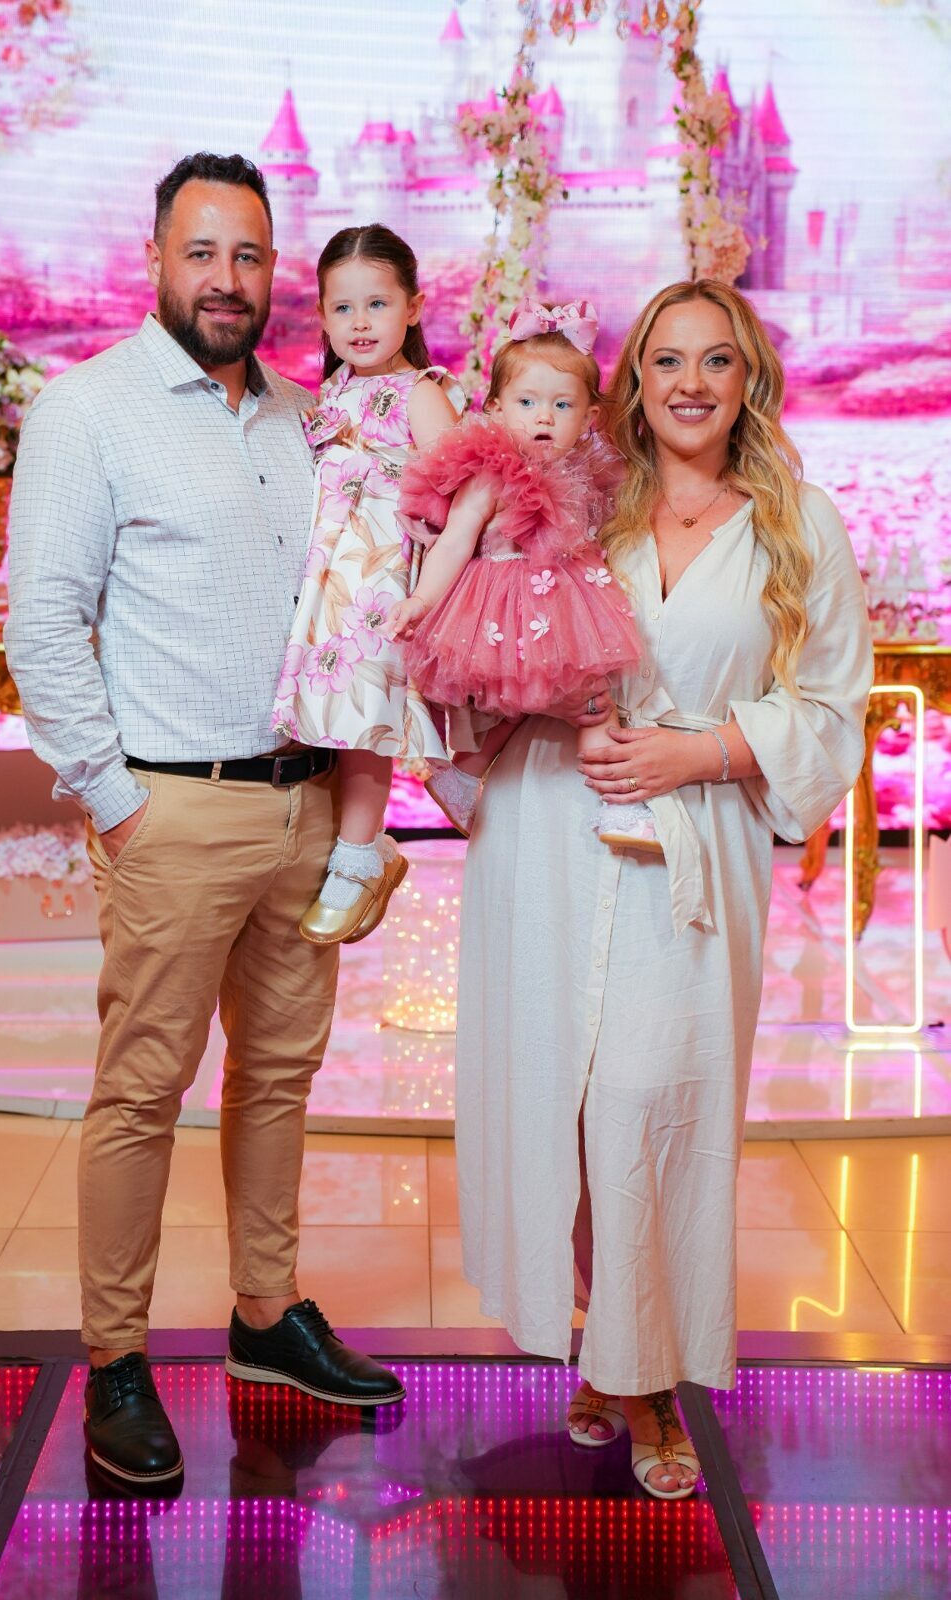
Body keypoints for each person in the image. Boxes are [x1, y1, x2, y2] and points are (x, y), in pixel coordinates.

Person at [4, 152, 405, 1491]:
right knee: (141, 1091)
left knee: (278, 1078)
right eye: (202, 252)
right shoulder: (90, 409)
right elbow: (42, 626)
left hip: (303, 805)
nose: (226, 279)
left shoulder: (307, 420)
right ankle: (115, 1357)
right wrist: (118, 804)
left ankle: (264, 1315)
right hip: (169, 810)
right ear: (155, 260)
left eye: (247, 255)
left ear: (273, 268)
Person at [454, 278, 872, 1498]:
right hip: (549, 826)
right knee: (569, 1108)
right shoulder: (581, 502)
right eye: (666, 360)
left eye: (715, 360)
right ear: (631, 381)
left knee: (650, 1098)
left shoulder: (797, 524)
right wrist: (552, 698)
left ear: (748, 379)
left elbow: (830, 706)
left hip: (695, 841)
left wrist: (701, 752)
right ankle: (609, 1345)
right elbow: (487, 636)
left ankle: (643, 1377)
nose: (690, 383)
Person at [384, 296, 655, 854]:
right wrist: (422, 601)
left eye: (562, 405)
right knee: (592, 701)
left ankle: (464, 774)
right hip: (504, 603)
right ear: (497, 407)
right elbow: (455, 540)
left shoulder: (588, 473)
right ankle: (619, 802)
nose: (543, 417)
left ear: (589, 418)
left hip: (562, 601)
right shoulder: (492, 472)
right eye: (527, 402)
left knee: (528, 702)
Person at [271, 224, 464, 946]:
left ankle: (358, 853)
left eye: (377, 304)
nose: (359, 323)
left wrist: (427, 515)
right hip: (329, 577)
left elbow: (464, 491)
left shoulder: (420, 393)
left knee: (366, 715)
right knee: (329, 713)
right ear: (321, 317)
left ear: (413, 307)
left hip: (385, 576)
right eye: (342, 308)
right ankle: (350, 843)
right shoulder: (330, 393)